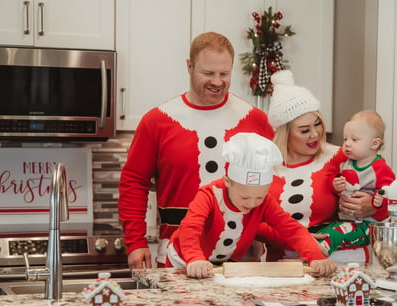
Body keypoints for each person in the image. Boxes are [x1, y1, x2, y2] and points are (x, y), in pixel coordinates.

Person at [118, 32, 274, 269]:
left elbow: (279, 180)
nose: (217, 81)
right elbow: (134, 182)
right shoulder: (157, 121)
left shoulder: (255, 120)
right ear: (189, 66)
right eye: (208, 73)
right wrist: (135, 242)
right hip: (176, 256)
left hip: (243, 261)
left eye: (224, 74)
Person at [165, 132, 337, 278]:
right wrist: (194, 258)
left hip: (222, 266)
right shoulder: (209, 195)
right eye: (245, 197)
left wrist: (315, 257)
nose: (252, 204)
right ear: (227, 182)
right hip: (183, 260)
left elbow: (290, 228)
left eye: (259, 197)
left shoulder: (265, 202)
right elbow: (190, 227)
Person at [259, 70, 376, 264]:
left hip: (341, 262)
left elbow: (381, 183)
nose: (314, 134)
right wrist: (297, 238)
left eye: (317, 124)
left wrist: (372, 205)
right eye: (304, 130)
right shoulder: (265, 167)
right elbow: (252, 221)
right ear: (284, 134)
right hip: (283, 267)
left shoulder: (340, 156)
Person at [316, 110, 395, 256]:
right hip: (345, 221)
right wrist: (335, 184)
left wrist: (379, 201)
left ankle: (313, 257)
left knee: (331, 238)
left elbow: (390, 194)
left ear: (374, 143)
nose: (347, 144)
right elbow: (335, 181)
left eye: (354, 140)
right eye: (345, 139)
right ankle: (308, 254)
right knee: (322, 232)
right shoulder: (346, 163)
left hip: (366, 225)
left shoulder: (380, 168)